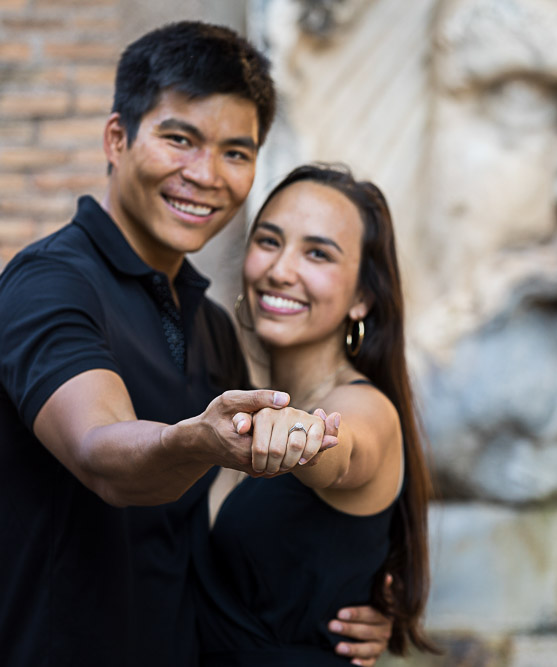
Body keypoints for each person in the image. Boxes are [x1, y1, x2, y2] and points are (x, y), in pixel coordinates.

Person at [0, 22, 390, 667]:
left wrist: (347, 592)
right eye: (179, 139)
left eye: (235, 151)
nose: (205, 175)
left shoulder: (209, 325)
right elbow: (99, 452)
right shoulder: (51, 285)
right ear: (118, 139)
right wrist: (192, 439)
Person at [192, 164, 438, 665]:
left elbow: (342, 451)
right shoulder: (230, 392)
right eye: (268, 241)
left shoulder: (365, 407)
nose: (281, 269)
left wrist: (304, 437)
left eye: (317, 253)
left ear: (362, 297)